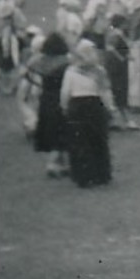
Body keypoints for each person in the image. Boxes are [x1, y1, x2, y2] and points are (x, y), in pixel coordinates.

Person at [60, 40, 114, 188]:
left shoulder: (71, 71)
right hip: (95, 106)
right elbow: (105, 91)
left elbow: (65, 92)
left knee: (79, 142)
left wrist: (64, 107)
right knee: (97, 140)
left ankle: (83, 176)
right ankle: (100, 174)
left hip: (76, 107)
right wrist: (109, 108)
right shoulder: (99, 71)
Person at [24, 31, 72, 178]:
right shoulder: (66, 62)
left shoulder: (39, 61)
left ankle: (62, 164)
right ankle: (52, 165)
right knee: (61, 132)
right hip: (60, 99)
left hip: (45, 98)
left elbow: (29, 76)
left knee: (52, 131)